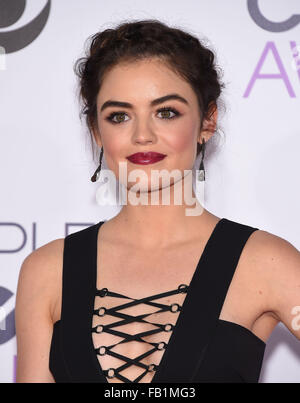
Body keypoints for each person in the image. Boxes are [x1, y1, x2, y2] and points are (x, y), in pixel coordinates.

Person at [15, 19, 300, 383]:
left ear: (207, 121)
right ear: (97, 132)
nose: (142, 135)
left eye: (166, 112)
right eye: (119, 116)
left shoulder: (265, 262)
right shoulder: (47, 270)